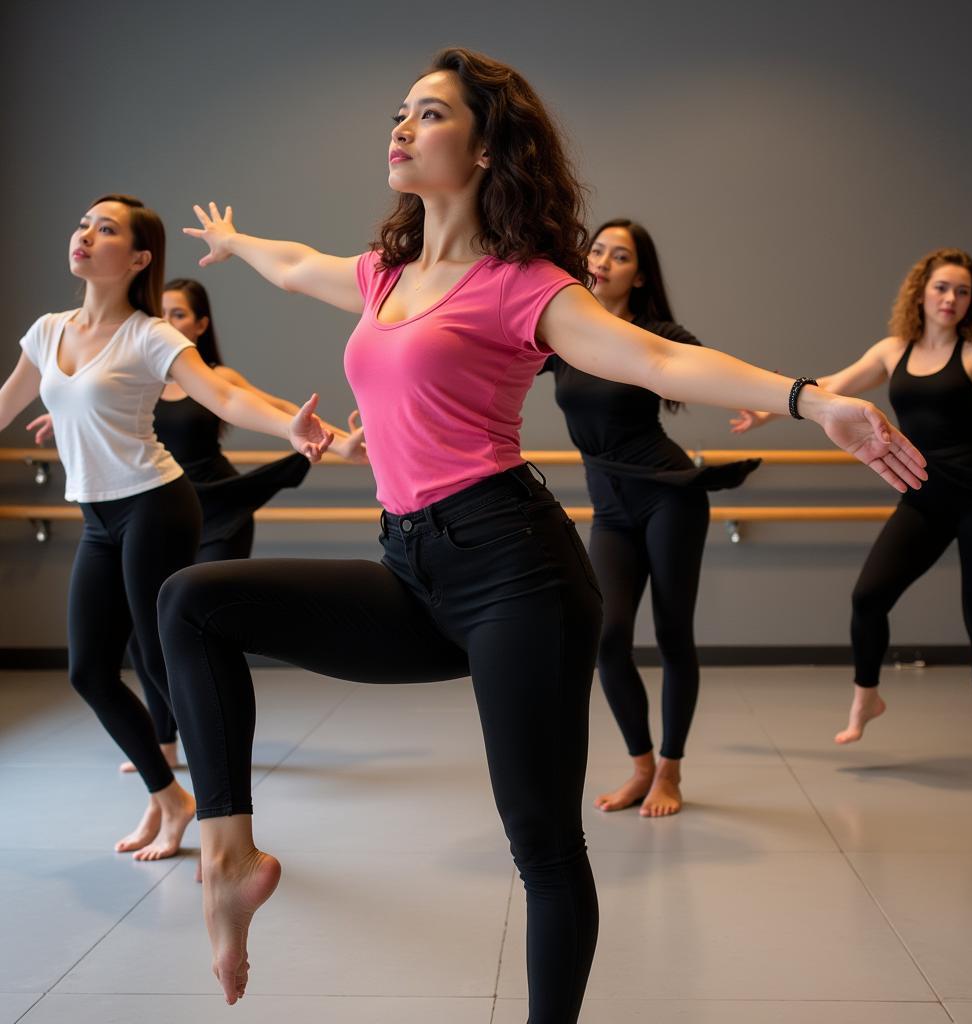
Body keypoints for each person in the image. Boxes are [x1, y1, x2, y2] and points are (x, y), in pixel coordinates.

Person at [157, 49, 925, 1018]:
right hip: (411, 565)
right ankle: (230, 857)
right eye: (400, 110)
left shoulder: (525, 283)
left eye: (428, 114)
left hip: (514, 571)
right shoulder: (384, 274)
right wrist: (239, 240)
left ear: (484, 149)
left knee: (543, 846)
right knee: (192, 601)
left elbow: (651, 358)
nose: (399, 126)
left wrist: (812, 400)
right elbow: (297, 266)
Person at [0, 193, 362, 863]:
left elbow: (223, 394)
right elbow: (6, 404)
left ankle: (226, 826)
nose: (84, 234)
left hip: (155, 505)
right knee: (89, 670)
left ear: (138, 258)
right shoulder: (47, 331)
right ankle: (171, 797)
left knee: (164, 666)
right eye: (82, 222)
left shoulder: (150, 335)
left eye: (104, 229)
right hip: (99, 515)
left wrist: (292, 426)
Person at [26, 277, 354, 773]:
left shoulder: (211, 373)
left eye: (179, 314)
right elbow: (100, 400)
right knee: (143, 629)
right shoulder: (142, 367)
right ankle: (165, 742)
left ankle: (213, 732)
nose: (167, 321)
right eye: (163, 312)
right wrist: (63, 411)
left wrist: (341, 440)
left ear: (199, 324)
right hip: (160, 504)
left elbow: (276, 408)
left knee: (187, 620)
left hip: (219, 508)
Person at [732, 247, 972, 779]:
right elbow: (830, 389)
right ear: (921, 291)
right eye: (942, 287)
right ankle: (867, 695)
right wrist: (768, 409)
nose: (951, 298)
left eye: (962, 291)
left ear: (971, 301)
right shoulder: (893, 350)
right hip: (922, 494)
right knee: (868, 597)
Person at [540, 219, 760, 817]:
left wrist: (762, 399)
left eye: (622, 255)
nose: (605, 260)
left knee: (670, 635)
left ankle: (671, 771)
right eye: (599, 249)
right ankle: (640, 765)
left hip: (670, 495)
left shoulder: (653, 332)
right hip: (610, 507)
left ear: (639, 275)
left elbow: (709, 364)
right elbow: (490, 362)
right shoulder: (560, 333)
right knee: (606, 638)